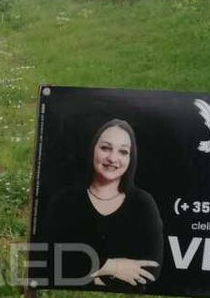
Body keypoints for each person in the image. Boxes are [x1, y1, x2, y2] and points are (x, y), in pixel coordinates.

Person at [41, 118, 163, 289]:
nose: (113, 158)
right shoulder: (65, 200)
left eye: (123, 152)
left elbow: (150, 271)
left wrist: (85, 270)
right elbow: (51, 261)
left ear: (131, 158)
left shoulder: (143, 204)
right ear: (93, 150)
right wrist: (114, 266)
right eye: (106, 148)